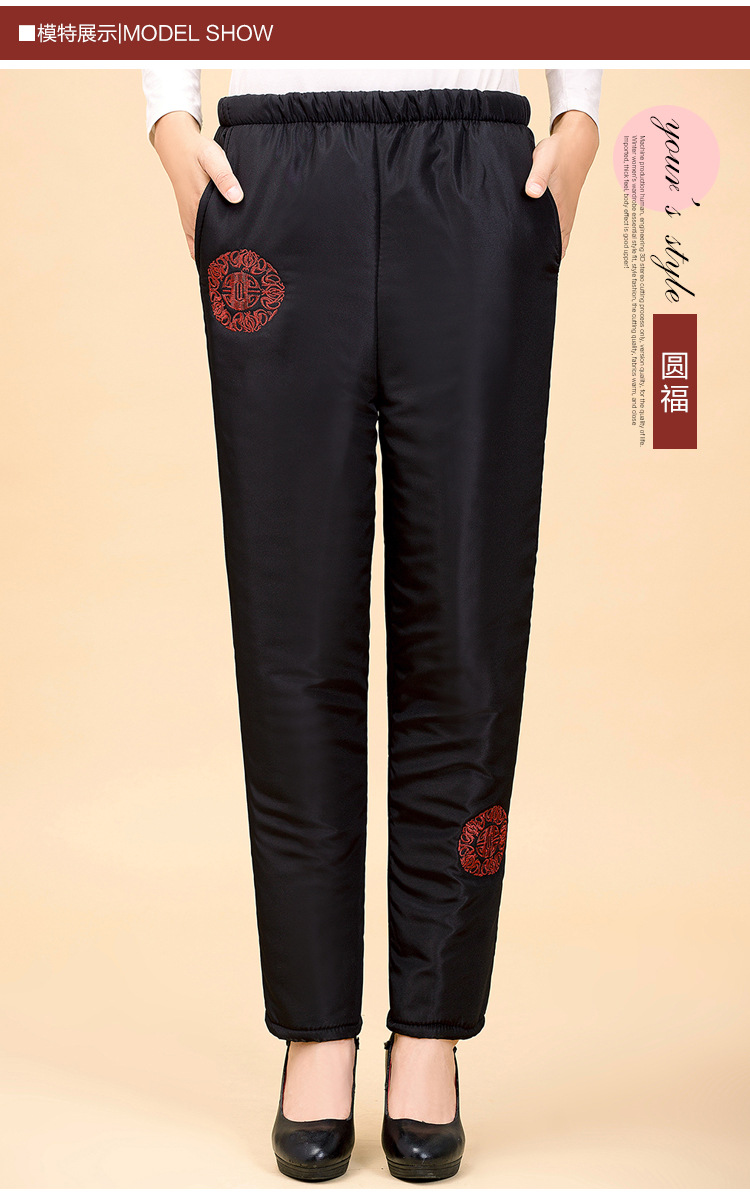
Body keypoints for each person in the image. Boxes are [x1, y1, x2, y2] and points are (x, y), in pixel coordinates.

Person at [142, 64, 601, 1182]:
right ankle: (316, 1029)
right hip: (277, 176)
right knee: (290, 630)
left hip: (476, 166)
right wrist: (165, 116)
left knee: (469, 618)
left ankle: (431, 1030)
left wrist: (581, 114)